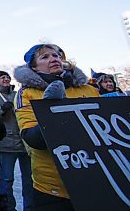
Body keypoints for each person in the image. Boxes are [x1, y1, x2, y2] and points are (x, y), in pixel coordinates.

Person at [14, 43, 99, 211]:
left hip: (95, 178)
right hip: (53, 187)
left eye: (56, 55)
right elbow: (32, 138)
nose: (53, 59)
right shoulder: (27, 93)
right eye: (44, 57)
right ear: (33, 67)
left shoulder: (88, 89)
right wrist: (50, 109)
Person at [0, 71, 33, 211]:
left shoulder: (18, 95)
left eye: (7, 77)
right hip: (5, 144)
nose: (6, 79)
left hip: (24, 143)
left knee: (29, 179)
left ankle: (30, 207)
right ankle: (10, 208)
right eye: (2, 78)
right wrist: (1, 109)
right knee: (7, 180)